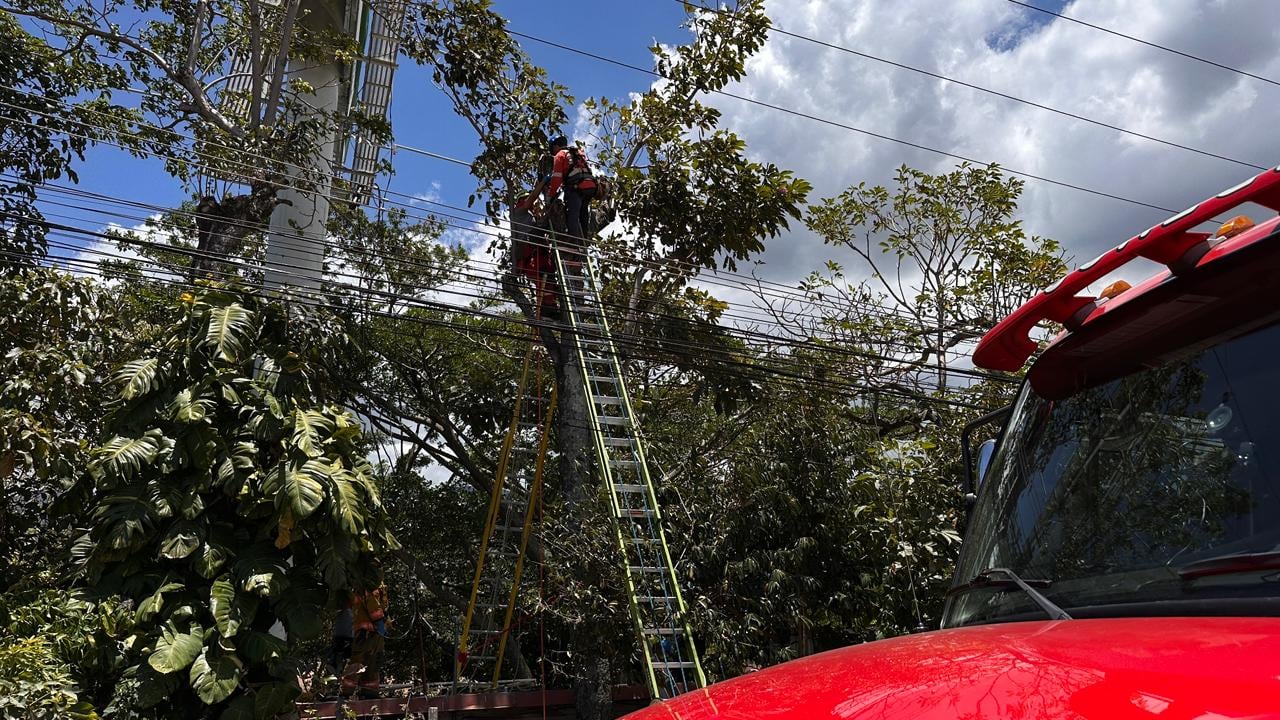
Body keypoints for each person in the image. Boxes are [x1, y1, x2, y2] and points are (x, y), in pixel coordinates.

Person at [545, 136, 598, 250]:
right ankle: (583, 241)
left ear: (555, 146)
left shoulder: (560, 155)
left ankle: (574, 245)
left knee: (572, 216)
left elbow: (556, 178)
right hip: (589, 186)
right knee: (583, 215)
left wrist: (550, 195)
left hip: (575, 187)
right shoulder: (577, 152)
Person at [341, 579, 389, 696]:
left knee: (365, 665)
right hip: (369, 635)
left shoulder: (366, 588)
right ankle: (361, 694)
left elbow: (378, 609)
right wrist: (380, 625)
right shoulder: (370, 588)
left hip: (369, 636)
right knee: (365, 665)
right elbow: (376, 610)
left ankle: (356, 694)